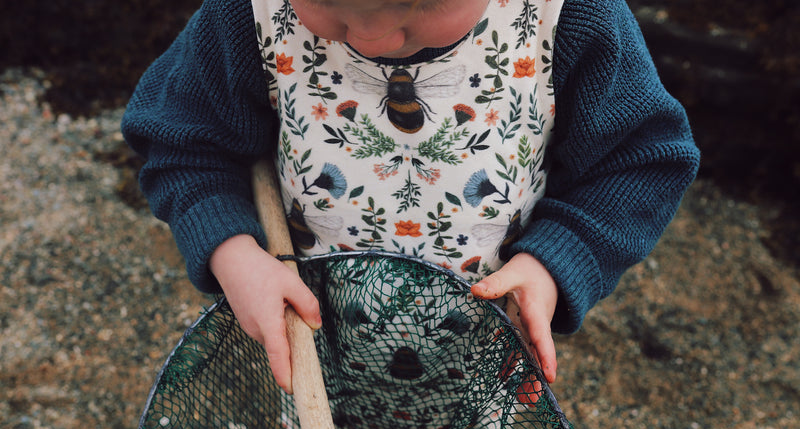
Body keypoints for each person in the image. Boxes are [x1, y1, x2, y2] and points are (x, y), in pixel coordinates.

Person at [122, 0, 700, 395]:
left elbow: (638, 162)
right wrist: (234, 254)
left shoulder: (566, 17)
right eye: (330, 4)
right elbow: (183, 141)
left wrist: (556, 262)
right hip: (314, 352)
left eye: (419, 5)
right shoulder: (251, 16)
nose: (371, 37)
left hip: (480, 362)